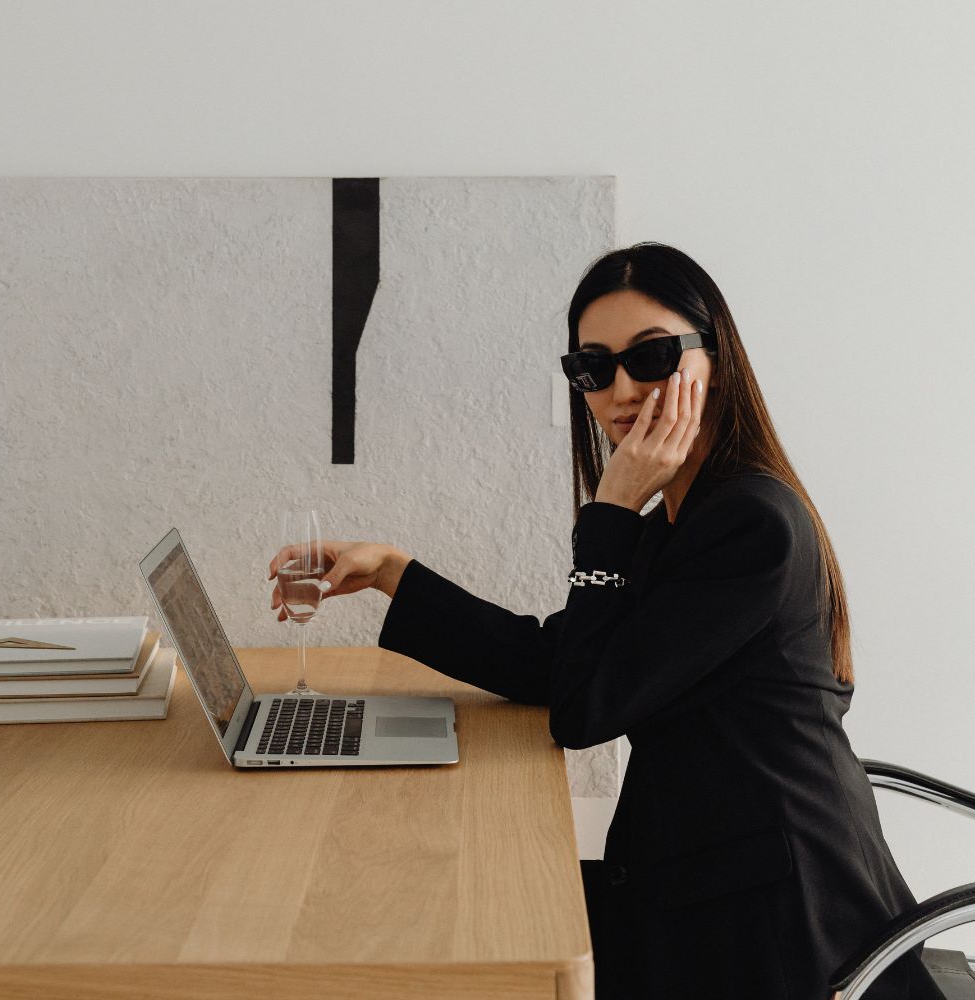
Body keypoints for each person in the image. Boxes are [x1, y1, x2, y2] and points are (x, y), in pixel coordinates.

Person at [268, 242, 944, 999]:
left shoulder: (751, 525)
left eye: (651, 356)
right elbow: (559, 662)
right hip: (701, 873)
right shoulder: (688, 520)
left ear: (714, 358)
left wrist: (614, 507)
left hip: (773, 925)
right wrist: (394, 573)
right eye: (593, 368)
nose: (621, 389)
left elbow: (587, 706)